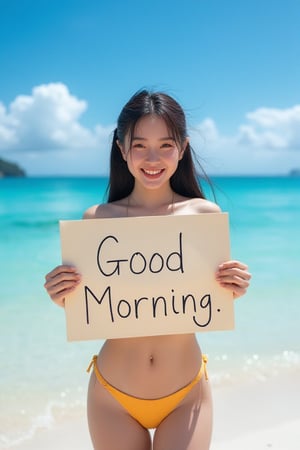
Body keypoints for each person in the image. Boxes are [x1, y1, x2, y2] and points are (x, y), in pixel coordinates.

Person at [44, 90, 251, 450]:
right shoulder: (97, 220)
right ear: (122, 149)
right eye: (139, 146)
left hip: (185, 393)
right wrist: (62, 294)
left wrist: (234, 286)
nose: (152, 158)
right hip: (113, 396)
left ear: (182, 149)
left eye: (165, 145)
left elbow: (211, 296)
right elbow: (91, 304)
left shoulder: (204, 217)